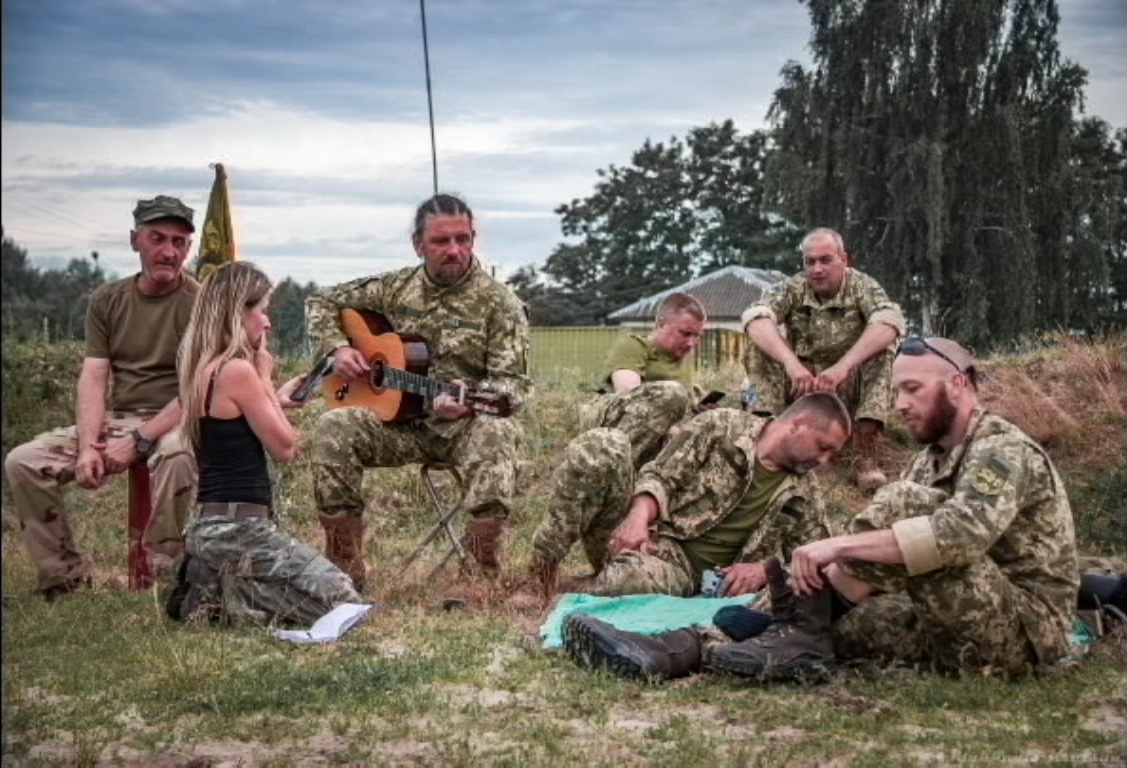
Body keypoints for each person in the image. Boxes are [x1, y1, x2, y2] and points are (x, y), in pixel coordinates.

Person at [564, 338, 1079, 682]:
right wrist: (805, 575)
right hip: (956, 614)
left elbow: (961, 536)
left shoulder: (1002, 448)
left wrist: (834, 547)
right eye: (896, 391)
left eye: (913, 389)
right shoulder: (929, 461)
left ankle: (785, 630)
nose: (900, 404)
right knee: (844, 627)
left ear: (960, 384)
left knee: (898, 504)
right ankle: (677, 650)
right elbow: (893, 562)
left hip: (1023, 631)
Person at [305, 193, 530, 591]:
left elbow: (512, 389)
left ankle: (480, 575)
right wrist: (337, 349)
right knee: (333, 427)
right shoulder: (395, 288)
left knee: (498, 431)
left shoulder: (500, 303)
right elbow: (321, 300)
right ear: (418, 244)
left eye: (462, 239)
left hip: (464, 428)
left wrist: (470, 399)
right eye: (441, 241)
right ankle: (344, 566)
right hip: (400, 426)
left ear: (473, 238)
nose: (454, 250)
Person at [5, 195, 200, 599]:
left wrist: (140, 439)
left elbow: (197, 389)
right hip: (121, 418)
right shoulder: (108, 299)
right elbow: (94, 376)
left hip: (178, 421)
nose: (169, 252)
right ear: (134, 240)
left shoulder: (200, 304)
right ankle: (64, 580)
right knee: (24, 461)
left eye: (179, 242)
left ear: (188, 248)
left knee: (178, 457)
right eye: (157, 238)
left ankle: (164, 583)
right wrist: (88, 447)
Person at [167, 262, 360, 625]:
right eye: (262, 310)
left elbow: (239, 421)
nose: (267, 322)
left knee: (318, 593)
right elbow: (286, 448)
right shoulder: (238, 371)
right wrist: (265, 377)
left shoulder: (203, 368)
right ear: (238, 311)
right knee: (344, 602)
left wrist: (274, 398)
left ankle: (212, 585)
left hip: (212, 524)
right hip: (242, 529)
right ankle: (226, 601)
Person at [523, 392, 851, 600]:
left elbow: (815, 559)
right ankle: (539, 575)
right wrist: (637, 517)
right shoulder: (719, 427)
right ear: (798, 423)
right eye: (823, 447)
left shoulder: (804, 491)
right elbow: (661, 475)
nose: (823, 461)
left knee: (635, 581)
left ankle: (574, 589)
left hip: (683, 576)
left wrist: (765, 571)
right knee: (603, 445)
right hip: (643, 540)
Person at [743, 228, 905, 489]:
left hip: (847, 385)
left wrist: (843, 367)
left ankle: (865, 455)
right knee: (758, 344)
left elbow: (890, 321)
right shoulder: (793, 287)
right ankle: (764, 438)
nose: (817, 269)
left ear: (844, 260)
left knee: (883, 351)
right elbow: (755, 317)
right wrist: (791, 364)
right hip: (802, 385)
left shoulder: (863, 286)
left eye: (826, 260)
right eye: (810, 262)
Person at [580, 292, 709, 464]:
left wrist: (703, 409)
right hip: (620, 427)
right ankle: (611, 463)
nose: (691, 343)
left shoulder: (685, 357)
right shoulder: (633, 346)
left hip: (668, 434)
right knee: (671, 393)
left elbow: (689, 403)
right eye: (685, 333)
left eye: (697, 335)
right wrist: (670, 425)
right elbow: (630, 396)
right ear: (661, 324)